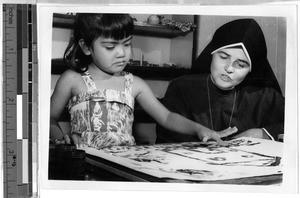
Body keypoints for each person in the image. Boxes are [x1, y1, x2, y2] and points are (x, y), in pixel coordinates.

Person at [50, 13, 237, 149]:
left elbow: (167, 117)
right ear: (86, 47)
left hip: (124, 164)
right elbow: (48, 119)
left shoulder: (134, 84)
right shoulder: (72, 79)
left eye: (127, 44)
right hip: (84, 162)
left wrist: (199, 129)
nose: (122, 53)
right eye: (110, 46)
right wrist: (61, 139)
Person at [156, 18, 285, 143]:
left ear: (251, 69)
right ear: (211, 53)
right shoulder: (181, 88)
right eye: (223, 57)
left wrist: (263, 133)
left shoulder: (266, 96)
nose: (229, 68)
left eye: (240, 65)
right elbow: (168, 136)